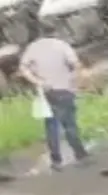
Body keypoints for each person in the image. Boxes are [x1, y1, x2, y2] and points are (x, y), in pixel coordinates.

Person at [18, 36, 89, 171]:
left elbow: (23, 68)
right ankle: (80, 154)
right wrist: (74, 81)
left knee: (51, 126)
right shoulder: (61, 44)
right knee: (69, 124)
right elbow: (76, 64)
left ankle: (56, 160)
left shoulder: (33, 47)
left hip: (46, 91)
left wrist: (37, 81)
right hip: (64, 88)